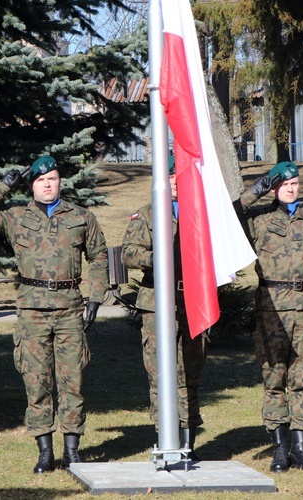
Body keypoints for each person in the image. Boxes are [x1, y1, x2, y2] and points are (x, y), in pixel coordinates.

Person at [0, 155, 109, 474]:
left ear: (60, 182)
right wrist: (4, 185)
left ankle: (72, 450)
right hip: (31, 311)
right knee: (36, 380)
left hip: (70, 309)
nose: (48, 184)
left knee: (72, 381)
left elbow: (99, 256)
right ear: (32, 185)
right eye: (41, 180)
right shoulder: (15, 217)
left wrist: (96, 298)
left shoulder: (81, 216)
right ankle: (45, 451)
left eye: (53, 179)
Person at [237, 161, 303, 473]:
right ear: (275, 188)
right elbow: (227, 217)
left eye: (295, 183)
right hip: (272, 310)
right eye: (285, 184)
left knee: (301, 378)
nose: (292, 189)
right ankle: (280, 448)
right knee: (274, 377)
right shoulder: (258, 220)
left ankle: (301, 448)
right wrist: (256, 189)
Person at [121, 155, 206, 460]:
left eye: (178, 176)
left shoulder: (199, 213)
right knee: (160, 375)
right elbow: (128, 254)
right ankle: (165, 441)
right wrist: (156, 258)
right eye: (169, 177)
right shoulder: (146, 215)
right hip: (157, 305)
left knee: (190, 374)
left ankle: (189, 442)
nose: (174, 182)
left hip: (192, 302)